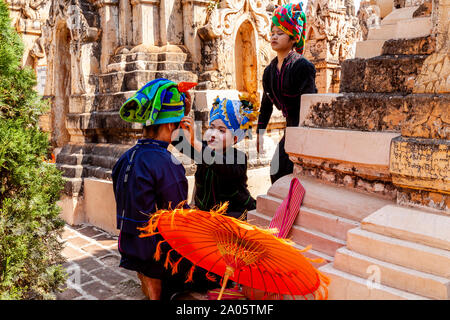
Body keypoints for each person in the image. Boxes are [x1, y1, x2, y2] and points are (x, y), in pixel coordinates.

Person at [112, 78, 219, 300]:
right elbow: (178, 219)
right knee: (215, 269)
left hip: (129, 245)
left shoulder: (125, 158)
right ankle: (159, 288)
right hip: (155, 254)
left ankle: (150, 282)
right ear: (172, 125)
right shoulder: (168, 163)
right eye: (178, 123)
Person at [256, 2, 318, 184]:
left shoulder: (303, 66)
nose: (274, 36)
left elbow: (309, 103)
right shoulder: (269, 71)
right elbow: (266, 103)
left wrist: (302, 136)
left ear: (293, 38)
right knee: (276, 171)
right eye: (272, 33)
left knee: (287, 172)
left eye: (280, 33)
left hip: (304, 129)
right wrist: (260, 132)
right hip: (289, 128)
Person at [173, 95, 258, 220]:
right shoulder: (202, 149)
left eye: (221, 131)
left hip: (236, 218)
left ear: (234, 139)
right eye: (211, 128)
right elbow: (175, 139)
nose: (213, 134)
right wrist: (182, 114)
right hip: (206, 219)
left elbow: (221, 165)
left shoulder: (238, 158)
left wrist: (195, 142)